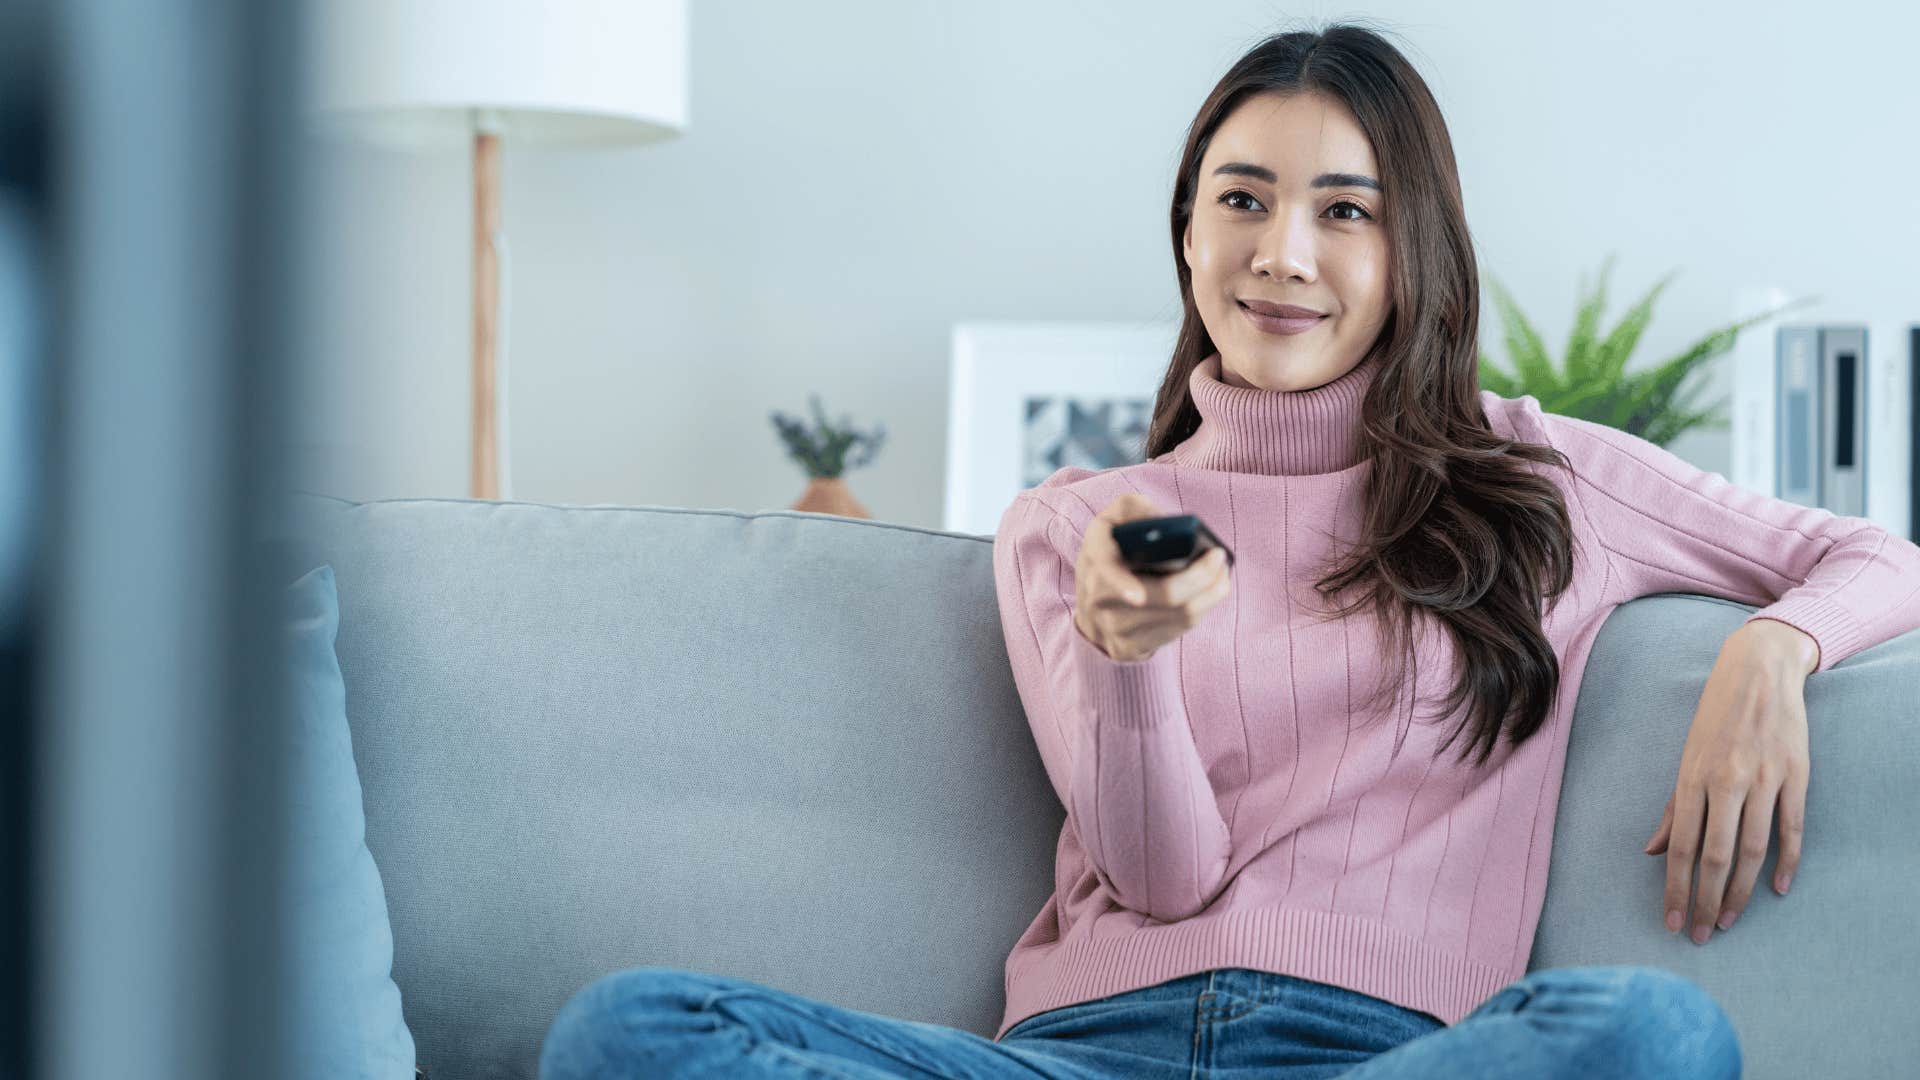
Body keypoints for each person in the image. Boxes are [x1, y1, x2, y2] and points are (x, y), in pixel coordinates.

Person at [538, 20, 1920, 1079]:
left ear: (1412, 247)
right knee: (638, 1028)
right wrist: (1130, 662)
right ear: (1189, 230)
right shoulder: (1077, 524)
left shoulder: (1540, 478)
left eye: (1344, 209)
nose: (1285, 252)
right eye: (1243, 199)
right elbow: (1160, 881)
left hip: (1385, 1049)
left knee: (1648, 1033)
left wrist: (1773, 646)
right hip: (1081, 1049)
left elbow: (1877, 552)